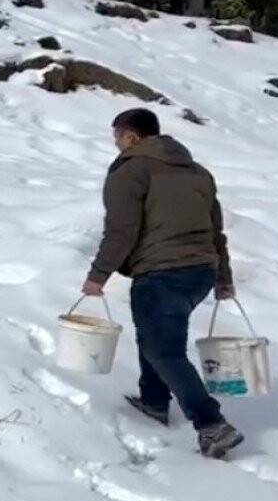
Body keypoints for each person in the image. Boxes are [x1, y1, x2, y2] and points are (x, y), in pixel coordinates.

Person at [81, 108, 244, 458]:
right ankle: (154, 401)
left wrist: (98, 275)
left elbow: (121, 230)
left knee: (163, 350)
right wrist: (223, 277)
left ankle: (212, 425)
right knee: (155, 335)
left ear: (131, 136)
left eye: (117, 136)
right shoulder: (198, 172)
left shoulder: (131, 170)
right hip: (201, 271)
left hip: (162, 271)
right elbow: (216, 233)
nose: (115, 144)